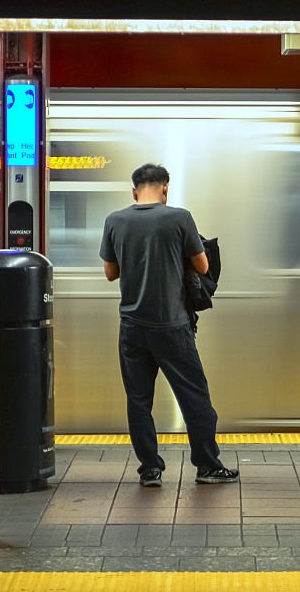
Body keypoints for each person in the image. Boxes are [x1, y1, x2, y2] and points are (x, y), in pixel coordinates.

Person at [100, 163, 238, 487]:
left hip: (132, 327)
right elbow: (203, 266)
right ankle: (207, 465)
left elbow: (110, 272)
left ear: (134, 191)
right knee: (195, 397)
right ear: (165, 189)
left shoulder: (115, 221)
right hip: (172, 326)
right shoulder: (179, 218)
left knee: (138, 400)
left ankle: (150, 469)